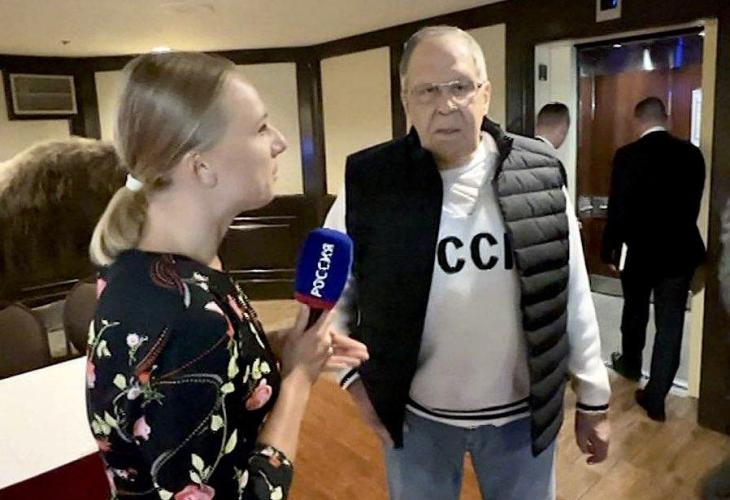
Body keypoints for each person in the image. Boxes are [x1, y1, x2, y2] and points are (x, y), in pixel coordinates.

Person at [324, 26, 610, 500]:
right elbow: (329, 295)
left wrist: (594, 397)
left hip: (523, 417)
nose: (445, 105)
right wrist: (354, 383)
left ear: (485, 93)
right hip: (415, 418)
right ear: (406, 100)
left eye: (459, 86)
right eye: (426, 91)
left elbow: (571, 291)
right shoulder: (369, 182)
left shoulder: (540, 171)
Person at [85, 51, 368, 500]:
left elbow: (192, 383)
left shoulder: (144, 267)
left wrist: (267, 349)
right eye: (260, 128)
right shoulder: (189, 314)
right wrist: (298, 379)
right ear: (201, 166)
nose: (280, 142)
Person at [602, 96, 706, 422]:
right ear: (667, 117)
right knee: (670, 323)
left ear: (638, 121)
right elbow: (693, 205)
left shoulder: (626, 156)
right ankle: (657, 395)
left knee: (634, 311)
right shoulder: (692, 155)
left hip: (639, 252)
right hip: (678, 253)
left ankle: (631, 364)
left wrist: (610, 250)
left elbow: (617, 210)